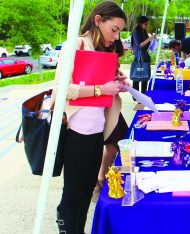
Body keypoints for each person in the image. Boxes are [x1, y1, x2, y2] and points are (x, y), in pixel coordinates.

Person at [52, 2, 127, 233]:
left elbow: (102, 89)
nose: (116, 36)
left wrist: (116, 84)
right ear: (98, 20)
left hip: (97, 131)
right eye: (113, 29)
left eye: (119, 32)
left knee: (86, 192)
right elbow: (62, 89)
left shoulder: (102, 50)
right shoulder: (75, 44)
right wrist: (100, 89)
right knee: (74, 194)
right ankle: (67, 227)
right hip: (76, 133)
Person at [130, 16, 156, 95]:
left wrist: (153, 40)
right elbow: (139, 45)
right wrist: (149, 38)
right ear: (141, 24)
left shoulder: (144, 31)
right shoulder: (136, 31)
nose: (147, 25)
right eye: (145, 23)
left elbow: (147, 43)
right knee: (137, 76)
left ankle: (144, 94)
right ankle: (136, 95)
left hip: (145, 55)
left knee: (145, 76)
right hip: (139, 57)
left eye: (147, 23)